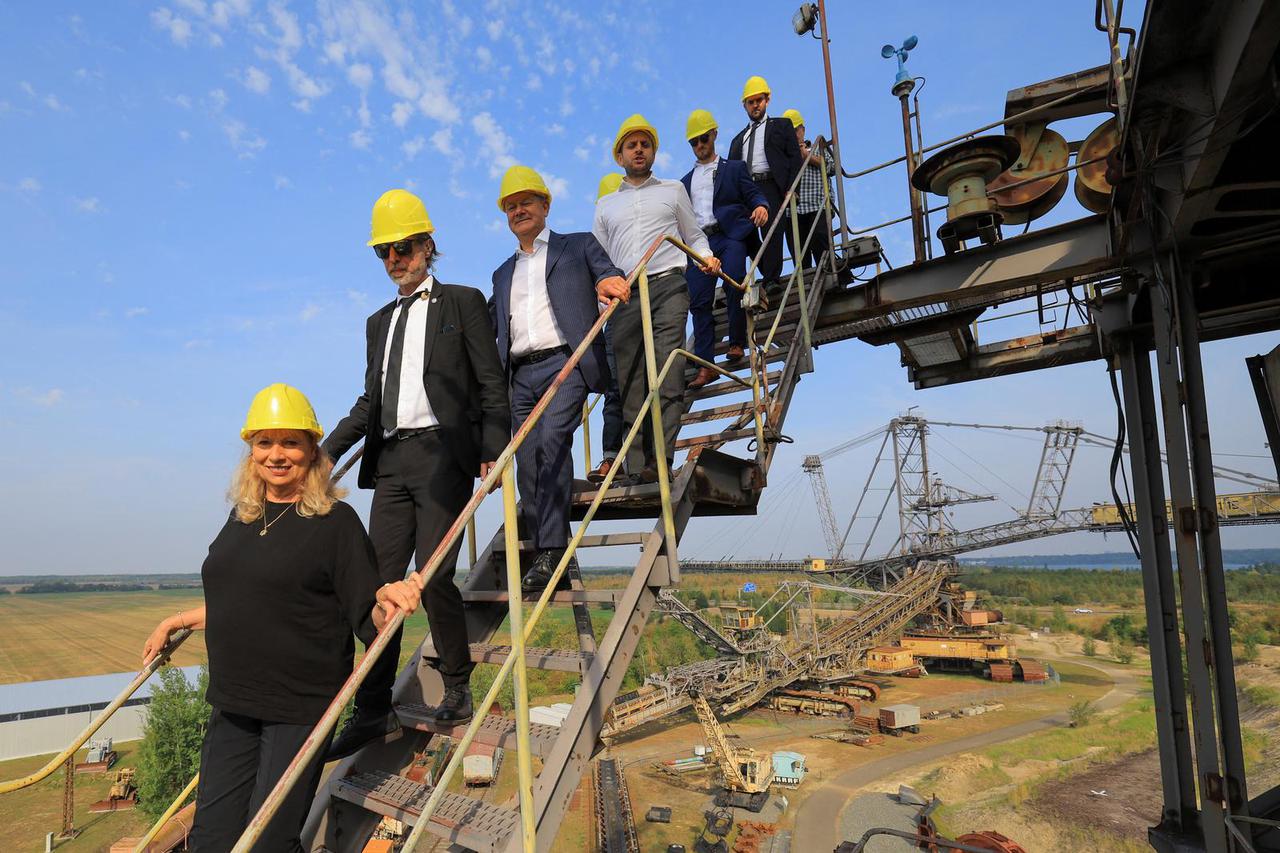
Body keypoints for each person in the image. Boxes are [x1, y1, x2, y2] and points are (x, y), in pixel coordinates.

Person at [140, 383, 424, 852]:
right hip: (233, 699)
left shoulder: (336, 522)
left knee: (270, 841)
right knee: (211, 839)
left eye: (291, 442)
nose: (277, 455)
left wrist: (387, 602)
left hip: (298, 705)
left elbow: (365, 614)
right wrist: (180, 619)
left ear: (313, 450)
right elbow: (252, 599)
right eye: (265, 442)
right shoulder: (243, 516)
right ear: (251, 450)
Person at [323, 189, 509, 757]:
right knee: (376, 587)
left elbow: (489, 381)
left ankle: (456, 687)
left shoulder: (462, 302)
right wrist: (324, 455)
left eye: (401, 247)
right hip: (392, 462)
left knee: (431, 577)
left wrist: (494, 448)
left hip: (441, 456)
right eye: (383, 251)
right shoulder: (377, 322)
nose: (393, 260)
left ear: (428, 246)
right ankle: (374, 706)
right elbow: (368, 401)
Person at [488, 165, 628, 592]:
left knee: (551, 440)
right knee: (527, 458)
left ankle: (551, 550)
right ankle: (544, 546)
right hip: (520, 374)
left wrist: (606, 278)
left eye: (526, 202)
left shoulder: (578, 246)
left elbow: (606, 270)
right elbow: (491, 322)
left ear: (545, 205)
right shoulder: (501, 273)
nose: (518, 211)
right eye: (511, 207)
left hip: (566, 362)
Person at [593, 114, 720, 483]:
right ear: (620, 156)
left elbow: (693, 235)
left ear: (653, 152)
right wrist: (603, 298)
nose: (638, 150)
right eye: (631, 145)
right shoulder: (605, 206)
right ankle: (635, 465)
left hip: (667, 286)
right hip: (625, 295)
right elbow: (599, 262)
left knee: (669, 372)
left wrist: (707, 255)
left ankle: (660, 460)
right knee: (631, 381)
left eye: (644, 144)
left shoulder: (672, 191)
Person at [680, 109, 770, 389]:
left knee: (734, 280)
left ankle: (737, 342)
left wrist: (761, 206)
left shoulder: (734, 168)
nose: (699, 146)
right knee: (699, 302)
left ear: (714, 135)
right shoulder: (683, 183)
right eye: (693, 142)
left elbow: (752, 193)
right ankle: (706, 366)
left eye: (703, 139)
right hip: (699, 244)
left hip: (729, 234)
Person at [727, 75, 803, 288]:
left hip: (770, 184)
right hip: (746, 189)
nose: (755, 105)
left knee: (772, 229)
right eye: (750, 102)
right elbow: (732, 170)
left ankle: (771, 279)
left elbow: (794, 157)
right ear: (745, 105)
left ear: (767, 100)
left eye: (758, 100)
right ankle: (762, 270)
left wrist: (791, 187)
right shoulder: (738, 139)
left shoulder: (781, 126)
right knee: (745, 234)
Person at [589, 172, 626, 485]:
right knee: (614, 389)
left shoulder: (637, 243)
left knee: (645, 385)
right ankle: (612, 457)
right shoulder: (593, 249)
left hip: (641, 317)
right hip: (610, 325)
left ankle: (643, 456)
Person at [784, 108, 836, 270]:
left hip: (817, 205)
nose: (792, 134)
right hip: (793, 210)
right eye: (788, 132)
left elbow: (832, 167)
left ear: (802, 130)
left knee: (820, 241)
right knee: (799, 254)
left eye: (795, 130)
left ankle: (827, 271)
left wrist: (807, 156)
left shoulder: (817, 147)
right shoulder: (783, 156)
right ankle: (803, 278)